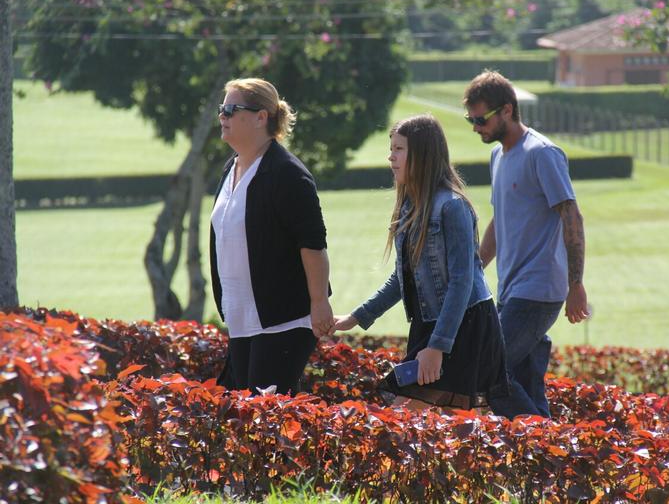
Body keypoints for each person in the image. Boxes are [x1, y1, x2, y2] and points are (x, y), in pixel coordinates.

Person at [332, 114, 513, 415]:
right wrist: (357, 317)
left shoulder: (452, 207)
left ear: (423, 153)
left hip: (462, 327)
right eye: (391, 148)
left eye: (399, 149)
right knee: (451, 429)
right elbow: (403, 280)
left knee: (405, 419)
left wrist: (439, 346)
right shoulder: (410, 205)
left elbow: (461, 282)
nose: (390, 157)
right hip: (432, 326)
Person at [463, 70, 589, 418]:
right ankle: (550, 453)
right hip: (512, 289)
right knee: (526, 382)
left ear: (506, 110)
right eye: (470, 119)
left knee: (486, 369)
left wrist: (575, 284)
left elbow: (572, 218)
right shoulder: (498, 157)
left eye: (480, 118)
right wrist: (472, 270)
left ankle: (543, 439)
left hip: (538, 290)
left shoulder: (542, 153)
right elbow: (500, 222)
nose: (475, 127)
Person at [210, 77, 333, 395]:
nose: (222, 115)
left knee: (264, 425)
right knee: (243, 424)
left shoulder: (287, 174)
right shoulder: (231, 168)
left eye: (230, 109)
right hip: (241, 321)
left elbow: (313, 244)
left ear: (261, 117)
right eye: (221, 108)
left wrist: (319, 302)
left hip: (283, 321)